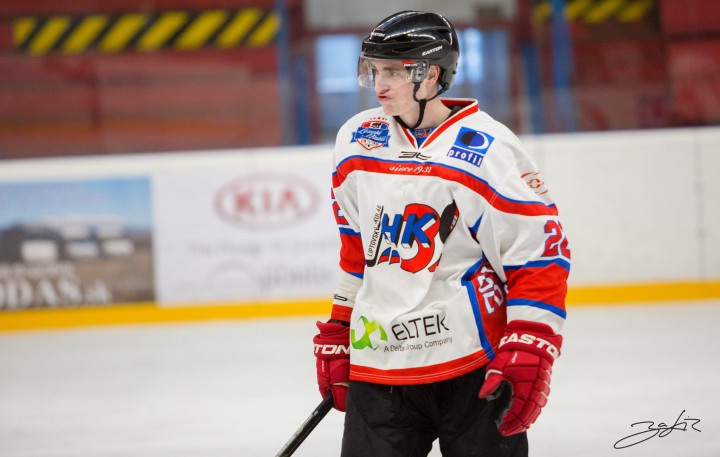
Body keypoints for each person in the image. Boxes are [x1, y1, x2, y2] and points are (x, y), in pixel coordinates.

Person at [313, 10, 570, 457]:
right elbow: (357, 248)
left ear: (431, 75)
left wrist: (533, 341)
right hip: (380, 361)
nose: (380, 84)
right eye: (375, 70)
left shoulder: (487, 147)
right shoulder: (356, 139)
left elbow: (538, 251)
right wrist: (340, 323)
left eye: (394, 71)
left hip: (471, 364)